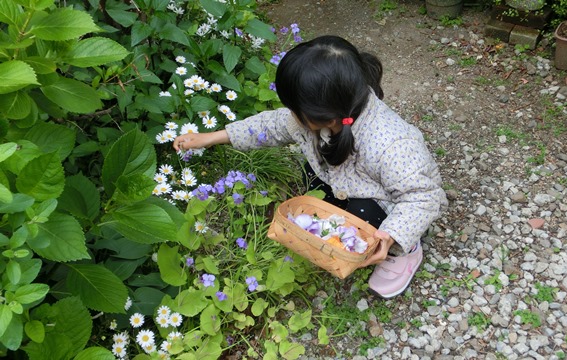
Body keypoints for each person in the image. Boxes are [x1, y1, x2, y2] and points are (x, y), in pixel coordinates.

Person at [173, 35, 448, 299]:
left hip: (387, 202)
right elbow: (271, 126)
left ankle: (406, 250)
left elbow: (422, 197)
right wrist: (214, 137)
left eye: (295, 110)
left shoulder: (391, 142)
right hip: (343, 183)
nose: (291, 115)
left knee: (367, 217)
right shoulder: (327, 112)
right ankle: (343, 226)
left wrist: (392, 235)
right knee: (315, 184)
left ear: (323, 115)